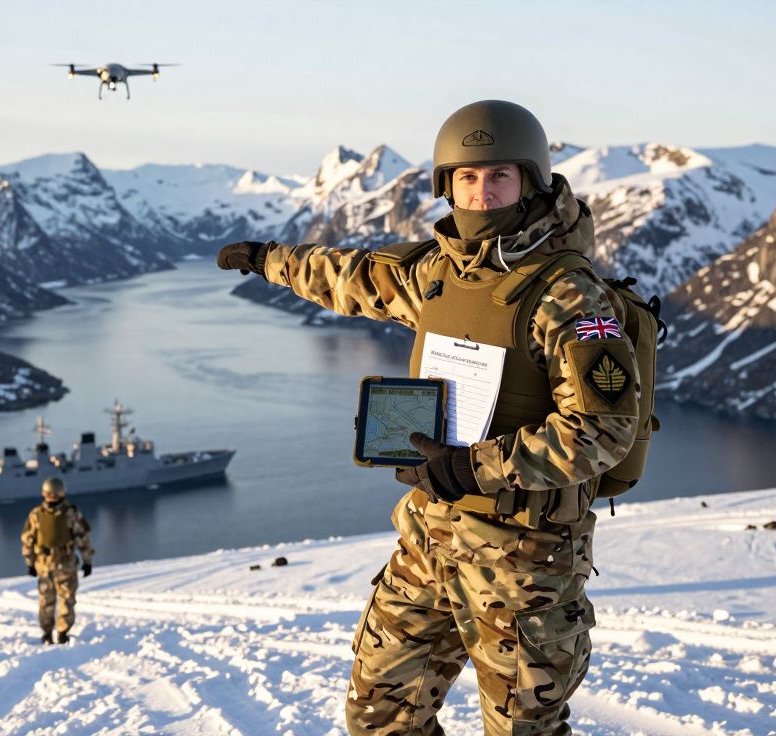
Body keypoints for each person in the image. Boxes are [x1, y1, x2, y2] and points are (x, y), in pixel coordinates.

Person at [217, 100, 639, 735]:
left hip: (525, 566)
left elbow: (603, 431)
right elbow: (352, 276)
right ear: (447, 185)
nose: (481, 191)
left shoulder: (569, 296)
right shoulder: (439, 273)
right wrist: (267, 259)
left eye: (500, 175)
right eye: (465, 177)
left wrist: (474, 466)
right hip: (428, 538)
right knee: (379, 717)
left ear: (533, 182)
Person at [21, 478, 94, 644]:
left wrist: (30, 562)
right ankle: (62, 633)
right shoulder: (71, 513)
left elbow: (27, 540)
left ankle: (47, 634)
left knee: (46, 601)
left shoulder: (36, 514)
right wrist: (87, 560)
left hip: (44, 566)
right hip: (66, 564)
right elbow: (82, 539)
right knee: (66, 600)